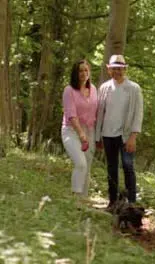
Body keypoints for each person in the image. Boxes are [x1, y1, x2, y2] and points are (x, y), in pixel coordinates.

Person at [95, 54, 144, 210]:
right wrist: (98, 137)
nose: (117, 72)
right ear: (109, 70)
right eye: (114, 69)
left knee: (128, 166)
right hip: (108, 135)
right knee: (111, 168)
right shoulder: (104, 88)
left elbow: (138, 113)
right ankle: (113, 201)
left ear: (125, 69)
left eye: (120, 69)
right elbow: (100, 113)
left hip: (126, 135)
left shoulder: (134, 89)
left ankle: (131, 203)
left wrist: (133, 136)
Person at [61, 59, 98, 197]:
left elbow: (96, 111)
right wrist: (81, 134)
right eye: (80, 71)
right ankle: (75, 197)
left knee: (87, 166)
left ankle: (83, 199)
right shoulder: (69, 90)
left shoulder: (93, 89)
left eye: (86, 70)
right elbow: (71, 114)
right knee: (80, 163)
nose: (83, 73)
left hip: (89, 131)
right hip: (71, 130)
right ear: (75, 73)